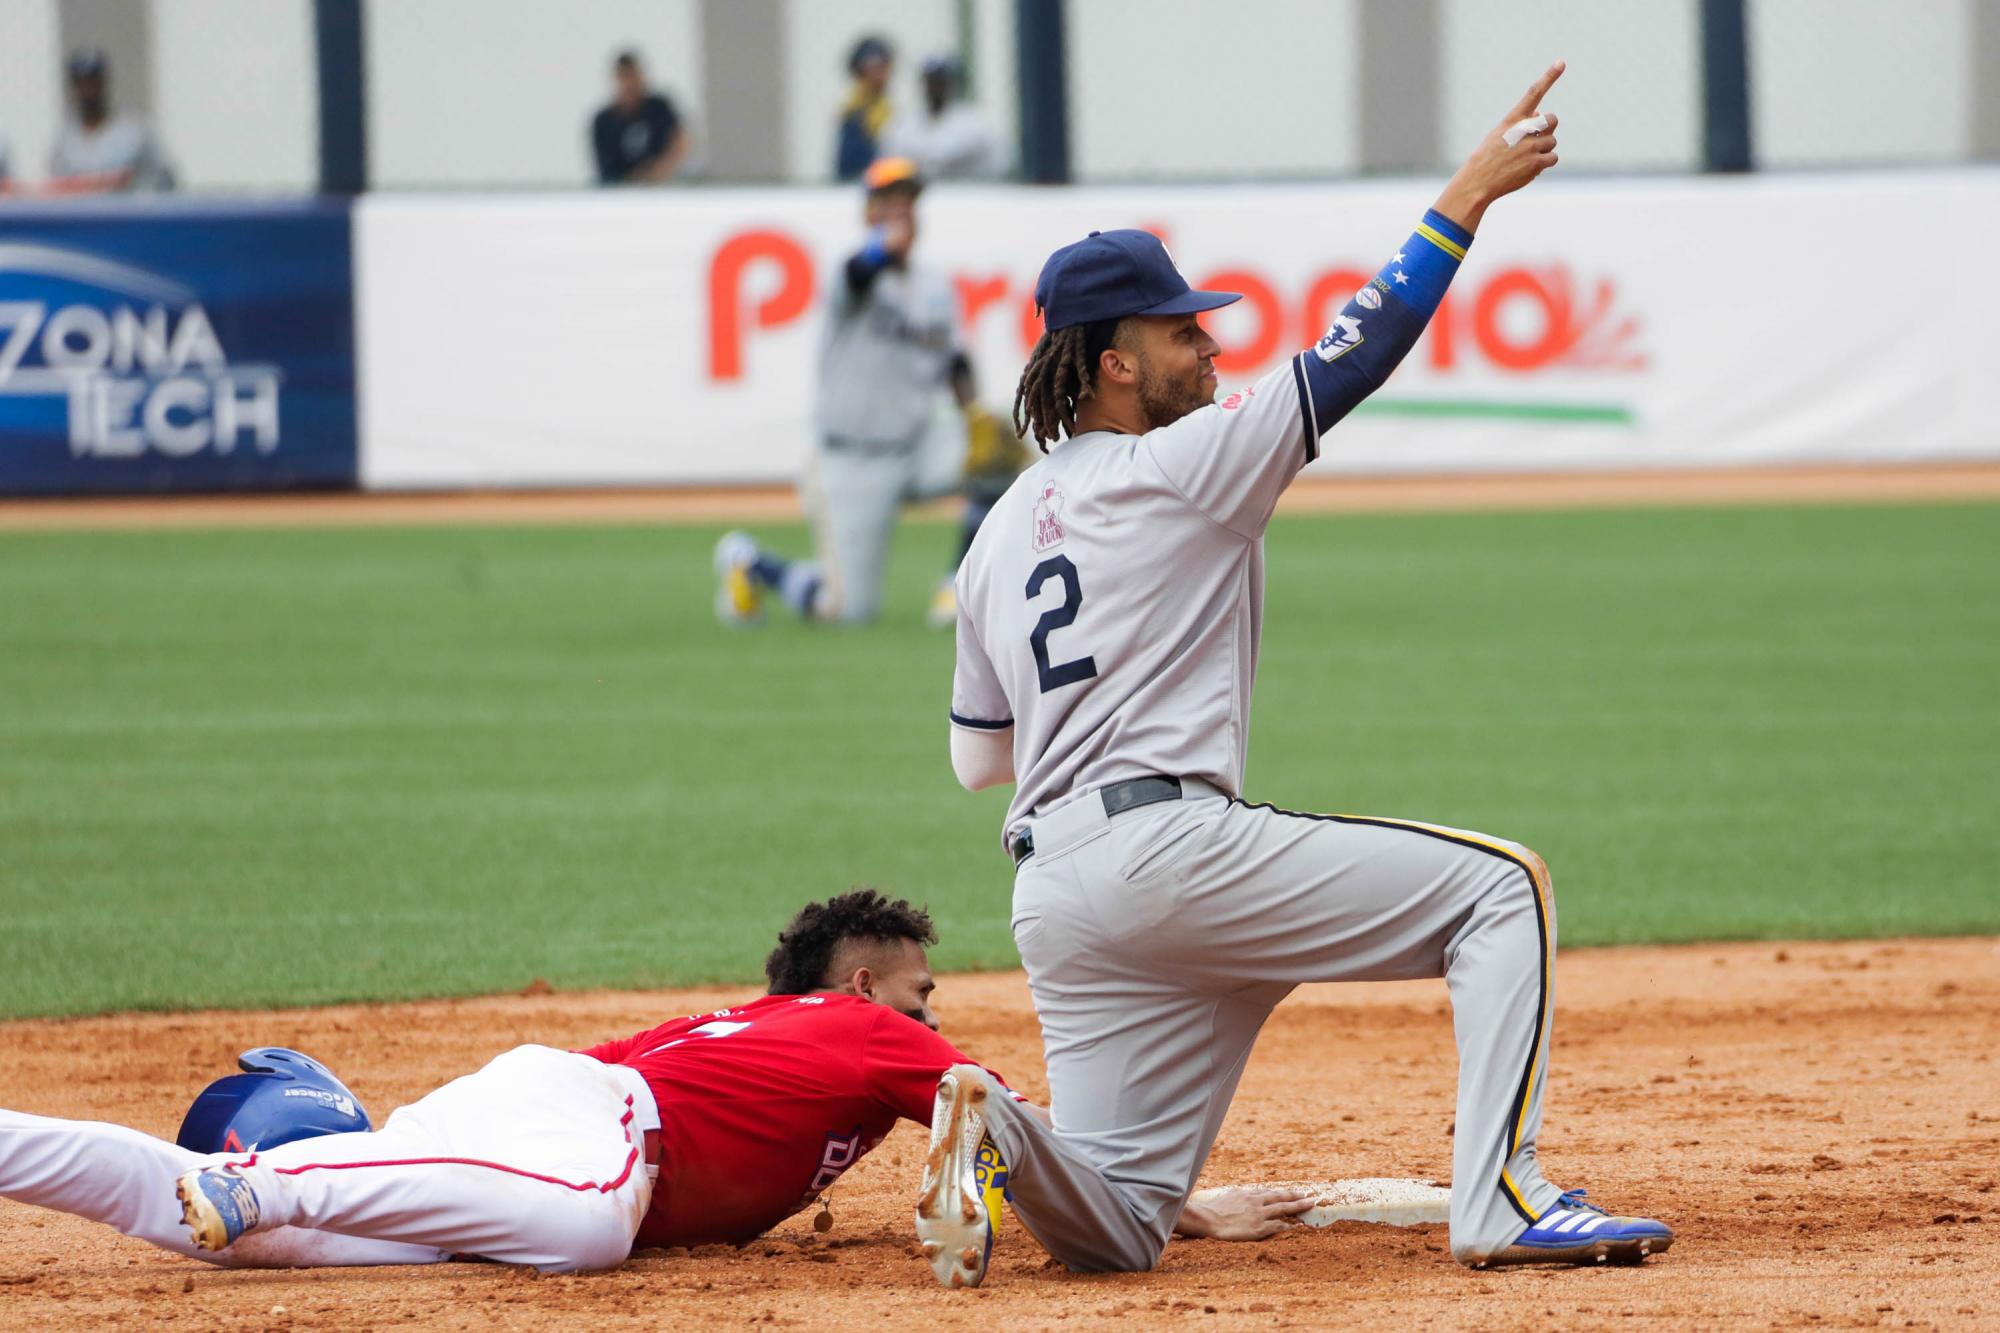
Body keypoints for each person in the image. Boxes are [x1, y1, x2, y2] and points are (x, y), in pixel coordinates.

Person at [936, 61, 1675, 1281]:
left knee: (1120, 1220)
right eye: (1178, 329)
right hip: (1170, 852)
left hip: (1054, 894)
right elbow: (1351, 353)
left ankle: (992, 1124)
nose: (1206, 342)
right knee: (1502, 893)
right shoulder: (1180, 467)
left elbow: (978, 762)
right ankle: (1504, 1200)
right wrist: (1466, 197)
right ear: (1113, 362)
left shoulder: (998, 531)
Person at [0, 892, 1306, 1274]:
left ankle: (190, 1180)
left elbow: (979, 1144)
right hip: (590, 1134)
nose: (932, 1012)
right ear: (863, 985)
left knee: (213, 1240)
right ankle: (261, 1175)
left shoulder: (756, 1021)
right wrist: (1169, 1206)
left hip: (524, 1109)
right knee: (586, 1225)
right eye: (917, 986)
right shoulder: (867, 1033)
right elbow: (1009, 1128)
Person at [714, 156, 1022, 629]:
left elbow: (955, 361)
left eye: (908, 202)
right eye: (888, 203)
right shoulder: (850, 277)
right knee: (846, 610)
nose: (901, 212)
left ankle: (956, 588)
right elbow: (859, 272)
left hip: (918, 448)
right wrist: (882, 247)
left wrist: (973, 412)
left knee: (1011, 455)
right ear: (869, 214)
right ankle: (750, 563)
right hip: (850, 462)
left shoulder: (934, 285)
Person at [48, 50, 174, 193]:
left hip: (129, 213)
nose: (88, 91)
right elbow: (58, 192)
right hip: (82, 214)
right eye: (81, 83)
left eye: (93, 81)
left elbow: (166, 180)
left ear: (104, 82)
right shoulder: (64, 140)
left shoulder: (135, 131)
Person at [880, 54, 1008, 181]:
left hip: (968, 193)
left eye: (940, 82)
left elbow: (1000, 164)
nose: (935, 87)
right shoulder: (902, 124)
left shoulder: (975, 124)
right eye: (931, 81)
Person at [591, 49, 688, 185]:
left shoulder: (659, 108)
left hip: (662, 187)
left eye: (634, 76)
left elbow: (680, 142)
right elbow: (606, 171)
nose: (630, 84)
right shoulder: (604, 121)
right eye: (625, 77)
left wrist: (660, 171)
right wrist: (635, 180)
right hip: (622, 195)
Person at [834, 35, 894, 181]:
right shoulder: (852, 112)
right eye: (874, 69)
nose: (880, 76)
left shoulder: (888, 110)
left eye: (884, 68)